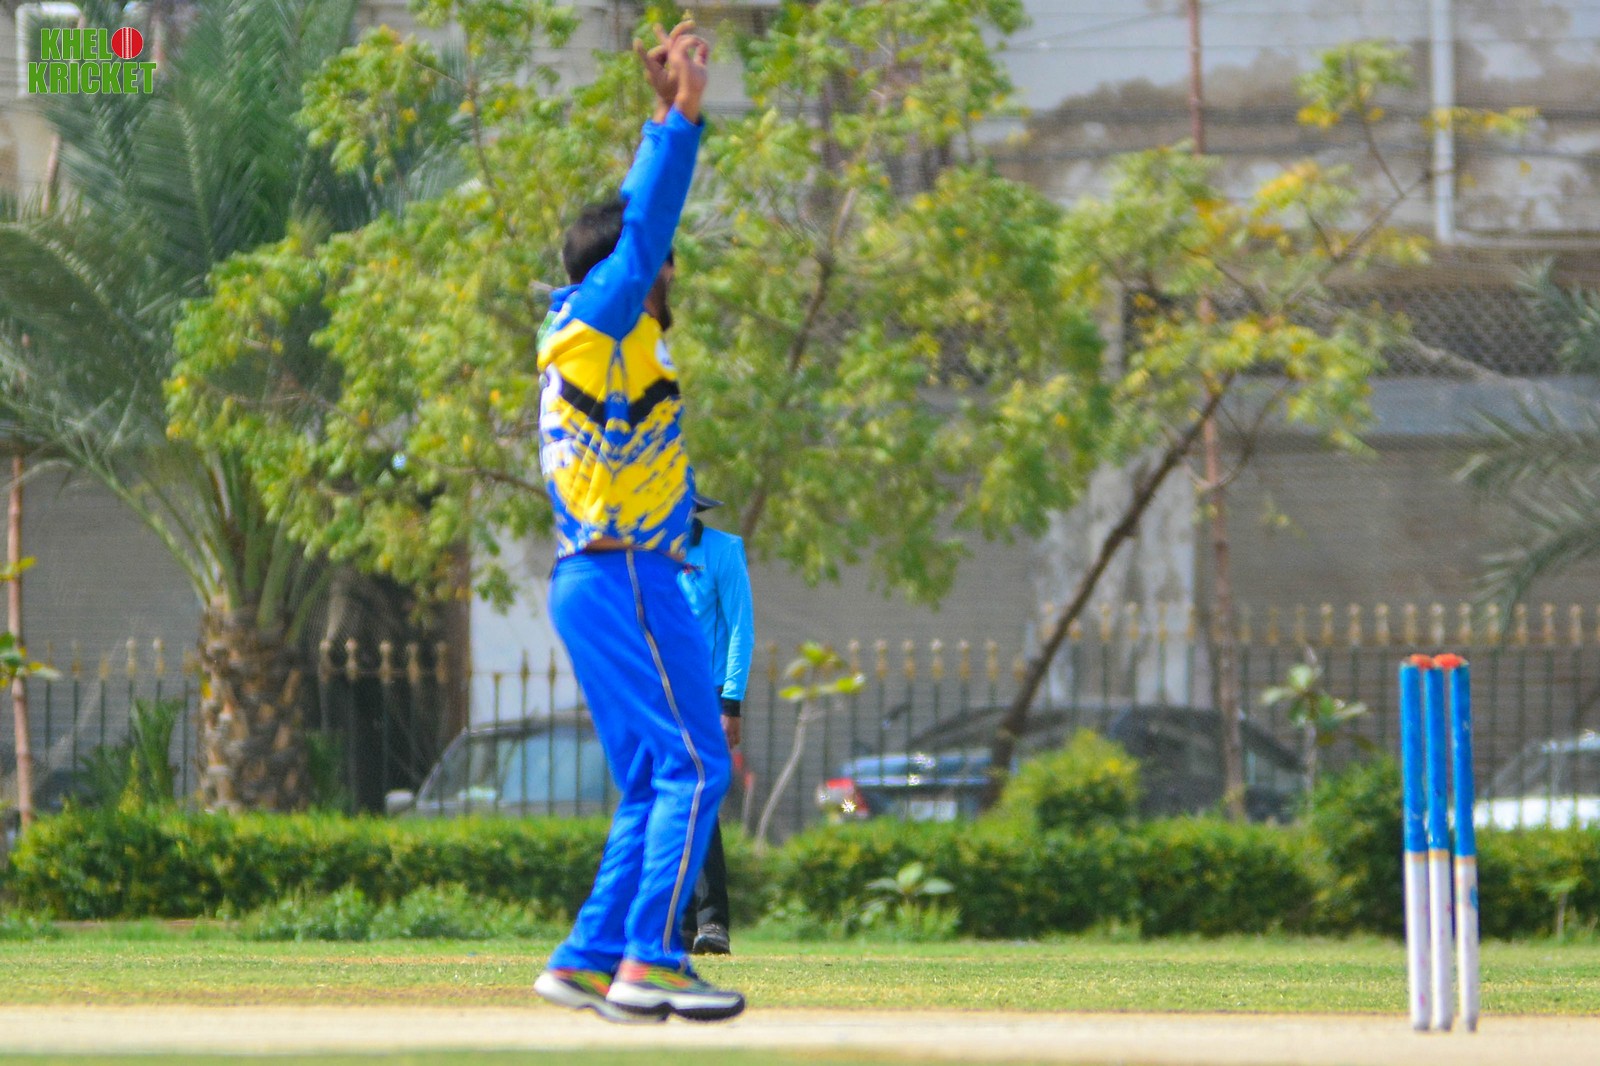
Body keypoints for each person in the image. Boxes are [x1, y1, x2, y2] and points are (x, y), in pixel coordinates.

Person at [530, 22, 744, 1025]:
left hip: (597, 578)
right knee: (697, 766)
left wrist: (660, 113)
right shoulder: (607, 318)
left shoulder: (590, 328)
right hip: (628, 576)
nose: (668, 269)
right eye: (660, 262)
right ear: (633, 270)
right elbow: (642, 227)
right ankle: (652, 959)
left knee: (655, 778)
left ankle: (587, 959)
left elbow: (629, 220)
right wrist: (686, 118)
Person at [676, 493, 754, 956]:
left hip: (706, 694)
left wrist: (732, 703)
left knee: (697, 798)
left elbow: (741, 628)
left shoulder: (723, 551)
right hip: (661, 694)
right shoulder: (646, 553)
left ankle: (711, 920)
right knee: (670, 803)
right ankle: (685, 923)